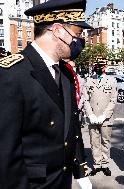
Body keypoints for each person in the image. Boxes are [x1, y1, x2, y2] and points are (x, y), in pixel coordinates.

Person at [0, 0, 93, 189]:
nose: (79, 42)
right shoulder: (11, 75)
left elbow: (71, 126)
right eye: (77, 34)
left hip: (62, 181)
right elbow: (5, 154)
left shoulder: (65, 74)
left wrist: (80, 169)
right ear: (58, 30)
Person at [82, 61, 117, 176]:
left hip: (106, 118)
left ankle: (105, 164)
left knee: (105, 142)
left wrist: (105, 115)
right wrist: (90, 114)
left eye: (100, 65)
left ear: (105, 67)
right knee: (94, 142)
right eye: (96, 65)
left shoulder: (112, 80)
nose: (97, 67)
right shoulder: (89, 80)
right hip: (93, 118)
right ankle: (97, 164)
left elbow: (113, 100)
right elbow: (86, 99)